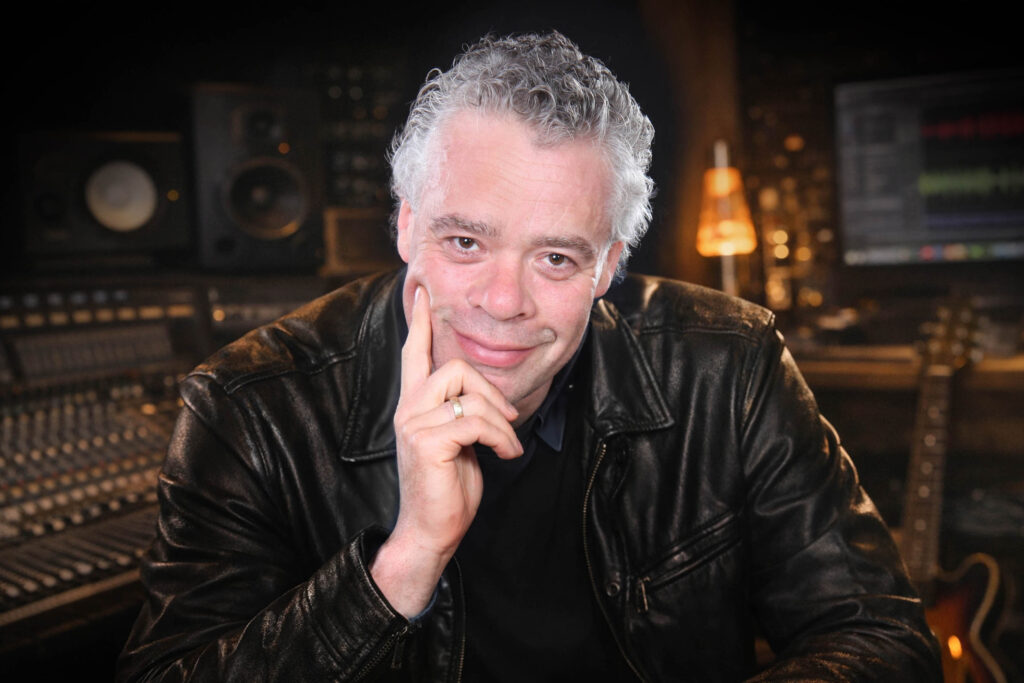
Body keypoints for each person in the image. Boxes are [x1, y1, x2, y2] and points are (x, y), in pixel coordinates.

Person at [117, 31, 941, 681]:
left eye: (555, 257)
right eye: (467, 240)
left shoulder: (729, 366)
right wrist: (403, 562)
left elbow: (880, 636)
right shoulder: (250, 407)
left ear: (608, 264)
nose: (503, 301)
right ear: (406, 224)